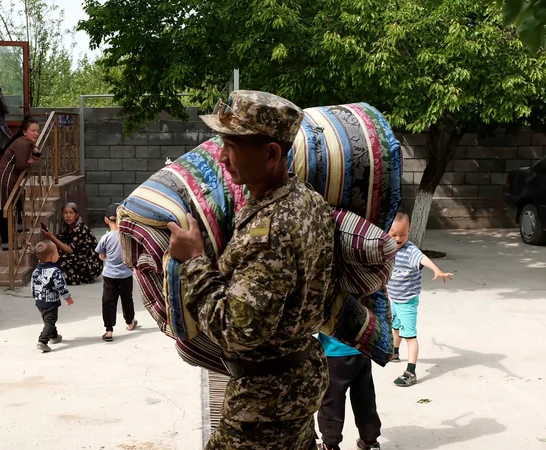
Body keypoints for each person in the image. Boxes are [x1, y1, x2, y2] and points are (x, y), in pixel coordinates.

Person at [166, 91, 335, 450]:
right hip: (296, 380)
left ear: (272, 154)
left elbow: (238, 329)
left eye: (232, 146)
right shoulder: (306, 199)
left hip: (265, 404)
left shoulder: (271, 231)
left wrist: (194, 260)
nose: (222, 157)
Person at [386, 212, 454, 387]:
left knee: (409, 336)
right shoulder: (387, 247)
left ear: (409, 231)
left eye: (403, 234)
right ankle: (394, 353)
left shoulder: (410, 251)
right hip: (394, 299)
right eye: (394, 234)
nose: (398, 238)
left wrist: (436, 270)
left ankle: (410, 372)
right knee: (395, 327)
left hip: (407, 302)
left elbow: (423, 259)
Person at [316, 333, 382, 450]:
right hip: (362, 351)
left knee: (332, 401)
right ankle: (370, 441)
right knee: (364, 398)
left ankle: (330, 444)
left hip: (334, 353)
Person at [0, 116, 41, 251]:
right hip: (4, 177)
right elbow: (20, 165)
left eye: (38, 131)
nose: (36, 134)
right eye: (33, 131)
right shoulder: (22, 143)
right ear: (25, 132)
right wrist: (31, 161)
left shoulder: (25, 141)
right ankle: (6, 242)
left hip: (8, 176)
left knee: (20, 194)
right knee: (5, 208)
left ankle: (19, 223)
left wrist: (34, 149)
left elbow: (32, 146)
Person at [95, 203, 138, 342]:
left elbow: (101, 256)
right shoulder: (128, 236)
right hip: (126, 274)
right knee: (127, 299)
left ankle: (108, 330)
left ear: (106, 220)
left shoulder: (105, 238)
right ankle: (130, 322)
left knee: (108, 302)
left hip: (109, 275)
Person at [42, 202, 103, 285]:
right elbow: (59, 241)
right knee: (53, 256)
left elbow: (70, 250)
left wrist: (51, 236)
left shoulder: (80, 228)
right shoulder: (66, 227)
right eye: (65, 213)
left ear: (77, 215)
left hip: (90, 263)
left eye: (71, 213)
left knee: (61, 262)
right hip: (77, 259)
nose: (68, 216)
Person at [31, 240, 74, 353]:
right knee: (50, 321)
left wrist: (35, 296)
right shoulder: (55, 271)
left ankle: (54, 336)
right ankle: (42, 341)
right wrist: (67, 297)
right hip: (50, 301)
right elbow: (61, 285)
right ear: (52, 257)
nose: (59, 255)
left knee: (48, 319)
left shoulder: (36, 271)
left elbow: (33, 285)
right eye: (57, 253)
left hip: (39, 301)